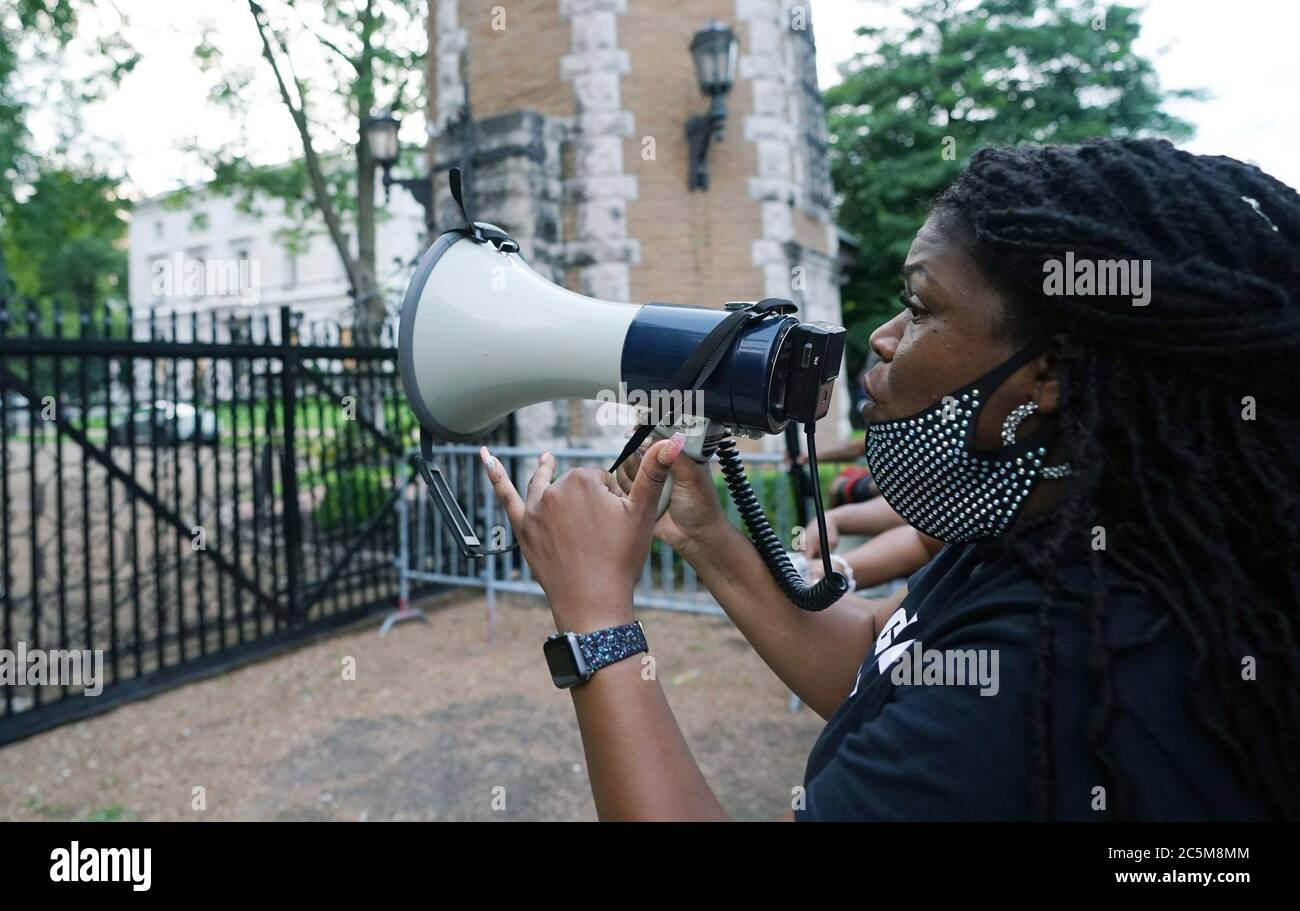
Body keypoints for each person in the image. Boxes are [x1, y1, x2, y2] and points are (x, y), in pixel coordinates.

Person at [480, 138, 1298, 821]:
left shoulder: (1056, 675)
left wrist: (596, 620)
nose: (883, 335)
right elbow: (886, 657)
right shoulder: (1041, 533)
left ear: (1045, 374)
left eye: (922, 306)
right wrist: (707, 537)